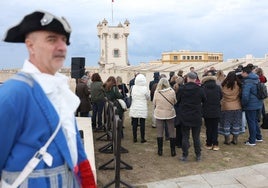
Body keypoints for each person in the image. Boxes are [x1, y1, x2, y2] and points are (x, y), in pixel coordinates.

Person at [0, 10, 96, 187]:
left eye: (64, 40)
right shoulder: (14, 94)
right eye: (52, 39)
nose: (62, 47)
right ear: (30, 46)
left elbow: (76, 153)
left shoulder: (60, 90)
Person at [176, 72, 206, 161]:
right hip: (196, 115)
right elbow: (204, 99)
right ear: (195, 79)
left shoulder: (182, 89)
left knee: (185, 136)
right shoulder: (200, 89)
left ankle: (185, 155)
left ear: (188, 78)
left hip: (185, 115)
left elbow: (177, 100)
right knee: (196, 137)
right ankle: (198, 155)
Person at [218, 71, 244, 145]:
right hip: (237, 105)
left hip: (226, 106)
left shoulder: (223, 84)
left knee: (226, 122)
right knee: (236, 122)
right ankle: (235, 139)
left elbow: (221, 95)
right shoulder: (239, 84)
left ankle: (227, 140)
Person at [153, 78, 177, 157]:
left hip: (159, 113)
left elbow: (154, 102)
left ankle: (160, 150)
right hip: (169, 113)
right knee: (171, 132)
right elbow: (174, 101)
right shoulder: (172, 91)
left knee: (159, 132)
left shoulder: (157, 92)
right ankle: (173, 151)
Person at [241, 66, 263, 146]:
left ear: (245, 73)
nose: (241, 74)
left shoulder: (248, 82)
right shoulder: (256, 79)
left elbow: (245, 96)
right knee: (255, 121)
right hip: (258, 103)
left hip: (251, 105)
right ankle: (258, 137)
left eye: (242, 72)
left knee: (251, 122)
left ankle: (252, 141)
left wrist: (243, 104)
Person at [201, 76, 222, 151]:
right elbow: (221, 97)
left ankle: (209, 143)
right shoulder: (218, 88)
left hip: (206, 110)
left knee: (208, 128)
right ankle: (215, 144)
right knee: (215, 128)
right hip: (216, 110)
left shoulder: (203, 88)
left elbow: (202, 99)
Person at [129, 74, 150, 143]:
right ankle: (142, 138)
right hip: (142, 107)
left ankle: (134, 138)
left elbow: (131, 95)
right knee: (142, 123)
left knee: (134, 123)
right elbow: (148, 97)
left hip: (134, 106)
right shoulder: (145, 88)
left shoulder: (132, 87)